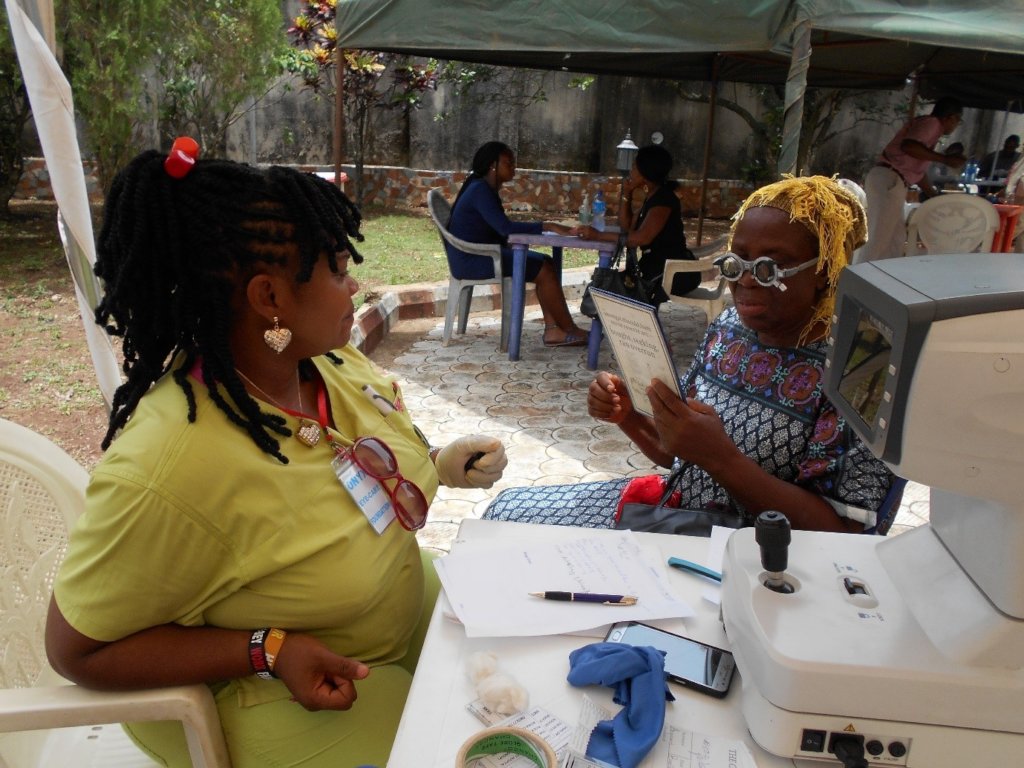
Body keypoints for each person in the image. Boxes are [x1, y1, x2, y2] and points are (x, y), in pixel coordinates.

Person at [44, 139, 508, 768]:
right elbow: (77, 652)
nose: (356, 285)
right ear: (270, 299)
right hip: (275, 691)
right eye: (339, 269)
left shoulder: (326, 363)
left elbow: (361, 462)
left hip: (386, 619)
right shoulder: (173, 465)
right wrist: (266, 649)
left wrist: (441, 463)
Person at [484, 176, 896, 534]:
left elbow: (843, 532)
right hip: (680, 514)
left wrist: (723, 460)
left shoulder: (860, 368)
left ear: (824, 267)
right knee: (504, 514)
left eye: (770, 267)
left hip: (749, 556)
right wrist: (628, 416)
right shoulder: (730, 328)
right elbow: (679, 454)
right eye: (735, 263)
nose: (746, 281)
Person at [447, 141, 588, 347]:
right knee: (545, 268)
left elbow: (497, 228)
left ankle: (553, 330)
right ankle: (569, 330)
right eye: (508, 163)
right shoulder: (480, 190)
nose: (514, 167)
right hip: (474, 260)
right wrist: (547, 225)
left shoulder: (481, 187)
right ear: (492, 165)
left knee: (545, 263)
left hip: (480, 255)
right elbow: (505, 228)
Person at [575, 144, 698, 301]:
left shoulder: (663, 200)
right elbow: (626, 228)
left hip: (672, 273)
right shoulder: (652, 197)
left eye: (634, 166)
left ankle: (636, 324)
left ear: (645, 171)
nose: (631, 171)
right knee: (604, 289)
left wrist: (598, 235)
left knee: (606, 291)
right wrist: (627, 194)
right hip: (655, 268)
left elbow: (641, 239)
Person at [858, 97, 966, 263]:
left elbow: (917, 171)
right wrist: (944, 159)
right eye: (957, 121)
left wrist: (932, 195)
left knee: (896, 239)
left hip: (892, 179)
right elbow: (909, 146)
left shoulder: (931, 129)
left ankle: (881, 280)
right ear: (951, 117)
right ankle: (858, 281)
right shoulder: (932, 123)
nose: (955, 126)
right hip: (890, 178)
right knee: (879, 239)